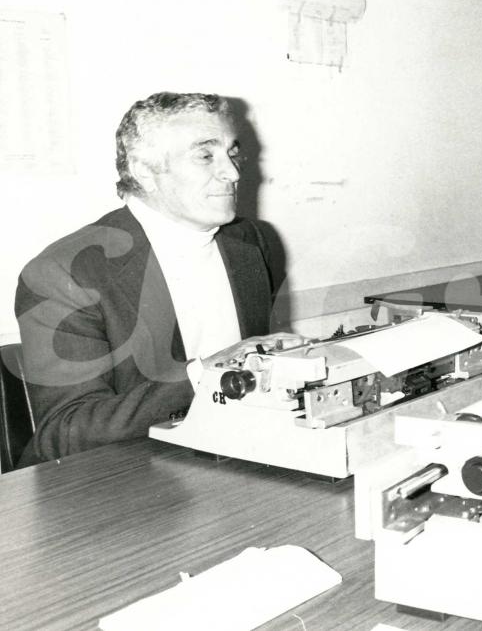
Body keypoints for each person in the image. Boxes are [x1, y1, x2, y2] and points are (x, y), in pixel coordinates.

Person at [15, 92, 294, 465]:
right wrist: (206, 375)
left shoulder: (252, 242)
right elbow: (66, 433)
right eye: (206, 155)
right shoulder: (65, 271)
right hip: (115, 486)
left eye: (233, 153)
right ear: (144, 170)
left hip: (230, 464)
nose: (233, 172)